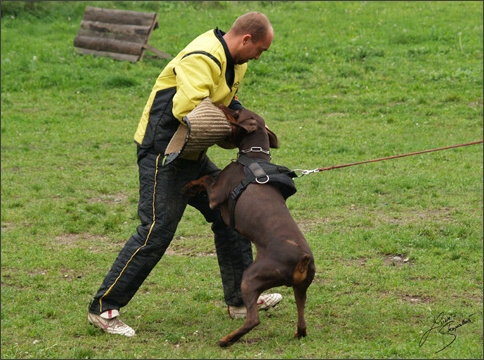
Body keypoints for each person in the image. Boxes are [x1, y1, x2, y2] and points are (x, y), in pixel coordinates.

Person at [87, 11, 282, 337]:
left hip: (192, 153)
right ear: (246, 39)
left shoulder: (237, 63)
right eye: (260, 49)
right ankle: (104, 308)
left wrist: (248, 119)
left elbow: (226, 101)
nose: (259, 57)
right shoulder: (203, 56)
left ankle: (240, 298)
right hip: (164, 152)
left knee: (228, 212)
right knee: (156, 231)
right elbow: (188, 109)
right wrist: (233, 125)